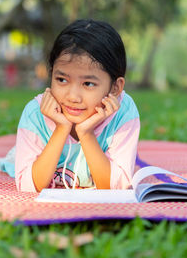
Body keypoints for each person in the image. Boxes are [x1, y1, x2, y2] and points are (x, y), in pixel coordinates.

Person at [15, 19, 140, 192]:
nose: (73, 97)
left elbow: (116, 188)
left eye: (88, 84)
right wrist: (61, 129)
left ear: (115, 87)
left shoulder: (123, 112)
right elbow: (27, 186)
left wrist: (86, 133)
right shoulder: (35, 113)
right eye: (62, 80)